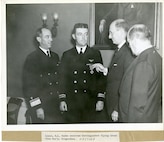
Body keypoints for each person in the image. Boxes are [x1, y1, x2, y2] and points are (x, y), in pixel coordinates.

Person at [59, 23, 107, 123]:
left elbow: (101, 79)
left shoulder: (95, 53)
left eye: (86, 34)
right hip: (72, 101)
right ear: (74, 36)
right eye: (80, 34)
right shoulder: (67, 55)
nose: (83, 37)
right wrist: (62, 99)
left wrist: (100, 99)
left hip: (90, 101)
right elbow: (62, 79)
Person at [91, 19, 135, 122]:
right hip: (112, 103)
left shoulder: (127, 52)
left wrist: (117, 108)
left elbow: (127, 84)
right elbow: (119, 73)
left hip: (118, 106)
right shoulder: (120, 50)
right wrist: (105, 70)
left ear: (120, 32)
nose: (109, 37)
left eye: (111, 33)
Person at [119, 24, 162, 123]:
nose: (129, 47)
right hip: (149, 116)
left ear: (135, 40)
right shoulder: (156, 57)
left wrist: (133, 130)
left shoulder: (143, 62)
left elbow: (138, 104)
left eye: (129, 43)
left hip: (138, 121)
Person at [22, 27, 62, 123]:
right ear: (39, 39)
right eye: (47, 37)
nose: (51, 40)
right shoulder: (32, 58)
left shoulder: (55, 56)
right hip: (42, 106)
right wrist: (37, 107)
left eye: (51, 37)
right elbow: (29, 86)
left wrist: (61, 100)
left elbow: (59, 81)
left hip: (55, 105)